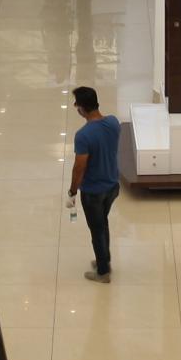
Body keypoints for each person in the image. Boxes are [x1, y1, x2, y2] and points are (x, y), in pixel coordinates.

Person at [67, 85, 122, 283]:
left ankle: (102, 272)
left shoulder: (83, 135)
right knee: (103, 223)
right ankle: (104, 260)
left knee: (97, 229)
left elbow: (79, 167)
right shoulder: (114, 123)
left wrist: (73, 191)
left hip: (93, 192)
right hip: (112, 186)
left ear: (82, 108)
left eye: (77, 105)